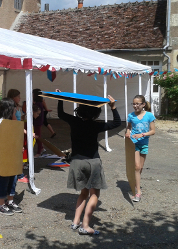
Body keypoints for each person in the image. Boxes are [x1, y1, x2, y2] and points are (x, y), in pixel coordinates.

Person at [58, 92, 121, 235]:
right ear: (96, 113)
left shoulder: (74, 121)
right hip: (93, 162)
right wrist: (113, 107)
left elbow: (61, 114)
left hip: (77, 162)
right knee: (94, 194)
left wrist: (61, 99)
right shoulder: (96, 125)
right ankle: (85, 226)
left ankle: (75, 222)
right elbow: (117, 123)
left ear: (79, 110)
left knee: (83, 192)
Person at [0, 98, 22, 215]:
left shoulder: (11, 121)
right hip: (4, 155)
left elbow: (16, 137)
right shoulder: (1, 123)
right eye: (14, 108)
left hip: (13, 154)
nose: (15, 109)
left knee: (13, 178)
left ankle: (10, 201)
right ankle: (0, 204)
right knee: (4, 178)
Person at [125, 95, 156, 202]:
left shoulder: (149, 115)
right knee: (137, 167)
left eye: (137, 104)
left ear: (143, 104)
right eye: (133, 103)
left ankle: (135, 183)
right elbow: (129, 126)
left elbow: (153, 131)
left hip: (144, 143)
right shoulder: (131, 116)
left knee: (140, 168)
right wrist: (128, 132)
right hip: (134, 143)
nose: (135, 106)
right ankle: (138, 192)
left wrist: (142, 135)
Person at [7, 89, 29, 183]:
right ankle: (19, 175)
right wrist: (25, 131)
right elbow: (14, 123)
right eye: (18, 96)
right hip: (15, 133)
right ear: (13, 97)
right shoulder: (11, 108)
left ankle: (18, 174)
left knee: (19, 154)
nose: (20, 98)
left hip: (18, 131)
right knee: (17, 154)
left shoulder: (16, 107)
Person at [33, 89, 45, 157]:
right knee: (36, 136)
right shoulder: (39, 103)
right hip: (38, 122)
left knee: (38, 137)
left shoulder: (38, 104)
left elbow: (38, 114)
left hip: (37, 122)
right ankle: (41, 148)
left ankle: (39, 152)